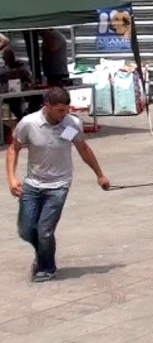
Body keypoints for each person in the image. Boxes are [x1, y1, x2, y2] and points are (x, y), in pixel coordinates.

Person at [6, 87, 110, 282]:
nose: (64, 115)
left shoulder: (70, 125)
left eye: (66, 110)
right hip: (33, 184)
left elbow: (83, 149)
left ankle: (47, 267)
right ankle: (42, 253)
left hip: (59, 184)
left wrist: (100, 174)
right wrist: (12, 178)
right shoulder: (29, 124)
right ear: (47, 107)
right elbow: (13, 150)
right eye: (60, 110)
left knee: (45, 230)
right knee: (26, 230)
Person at [0, 47, 34, 120]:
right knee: (14, 103)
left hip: (22, 91)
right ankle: (21, 116)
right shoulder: (3, 70)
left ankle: (24, 115)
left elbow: (29, 78)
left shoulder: (21, 66)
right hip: (8, 94)